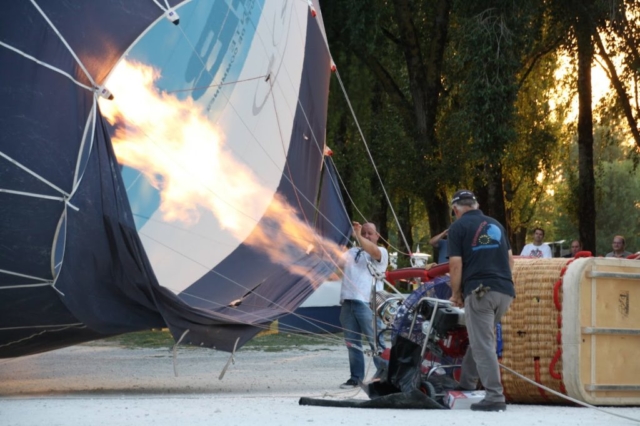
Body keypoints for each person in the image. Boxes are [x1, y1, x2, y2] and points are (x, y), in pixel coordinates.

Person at [447, 190, 515, 412]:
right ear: (475, 205)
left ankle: (495, 396)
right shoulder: (496, 224)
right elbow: (509, 259)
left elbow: (456, 265)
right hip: (504, 291)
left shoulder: (458, 228)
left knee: (483, 342)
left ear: (456, 209)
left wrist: (456, 293)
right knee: (480, 337)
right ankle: (466, 382)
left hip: (480, 291)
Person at [338, 221, 389, 389]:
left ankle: (386, 375)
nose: (366, 235)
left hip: (368, 302)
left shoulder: (381, 252)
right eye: (363, 233)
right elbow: (336, 265)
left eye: (369, 233)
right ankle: (355, 377)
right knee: (352, 343)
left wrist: (358, 235)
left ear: (377, 236)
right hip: (348, 301)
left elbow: (372, 251)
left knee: (376, 342)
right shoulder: (352, 252)